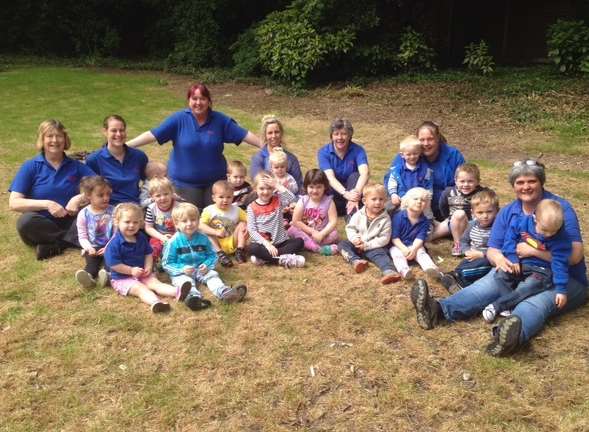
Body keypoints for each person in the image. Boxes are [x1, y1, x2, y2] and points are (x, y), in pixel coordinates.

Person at [410, 160, 587, 356]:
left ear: (541, 182)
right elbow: (494, 249)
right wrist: (502, 261)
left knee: (534, 302)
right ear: (513, 185)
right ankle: (438, 310)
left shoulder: (558, 209)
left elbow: (575, 256)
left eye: (531, 181)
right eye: (520, 182)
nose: (526, 187)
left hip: (564, 278)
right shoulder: (510, 212)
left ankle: (508, 337)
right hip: (521, 269)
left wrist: (534, 252)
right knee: (488, 285)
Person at [126, 83, 262, 210]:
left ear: (209, 101)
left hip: (215, 184)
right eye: (194, 98)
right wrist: (126, 145)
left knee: (217, 220)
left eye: (202, 98)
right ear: (188, 101)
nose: (198, 103)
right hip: (183, 184)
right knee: (189, 221)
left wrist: (265, 146)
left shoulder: (220, 120)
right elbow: (153, 134)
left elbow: (243, 134)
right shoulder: (179, 119)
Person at [9, 119, 95, 260]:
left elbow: (98, 185)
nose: (55, 140)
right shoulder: (30, 166)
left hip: (71, 220)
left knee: (91, 218)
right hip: (41, 223)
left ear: (65, 139)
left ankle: (58, 245)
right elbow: (14, 203)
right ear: (42, 140)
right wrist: (47, 204)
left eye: (59, 136)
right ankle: (75, 240)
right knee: (25, 222)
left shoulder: (76, 165)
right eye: (49, 136)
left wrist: (78, 198)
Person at [482, 199, 571, 323]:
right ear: (535, 219)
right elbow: (509, 240)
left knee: (527, 287)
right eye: (545, 230)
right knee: (500, 274)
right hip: (521, 263)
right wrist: (513, 258)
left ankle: (496, 307)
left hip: (543, 271)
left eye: (554, 231)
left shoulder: (561, 238)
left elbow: (560, 263)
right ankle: (509, 305)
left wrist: (561, 290)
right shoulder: (521, 223)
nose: (549, 235)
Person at [162, 203, 247, 310]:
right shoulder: (173, 242)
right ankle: (194, 298)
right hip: (182, 272)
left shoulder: (203, 238)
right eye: (184, 221)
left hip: (201, 268)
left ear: (198, 220)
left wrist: (207, 265)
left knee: (212, 276)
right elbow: (166, 263)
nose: (189, 224)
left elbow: (212, 255)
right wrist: (182, 269)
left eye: (193, 220)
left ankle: (224, 292)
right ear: (176, 224)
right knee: (185, 282)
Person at [104, 203, 187, 313]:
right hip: (122, 278)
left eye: (135, 222)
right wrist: (131, 271)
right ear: (117, 222)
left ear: (140, 223)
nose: (131, 225)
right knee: (141, 289)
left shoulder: (141, 237)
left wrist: (148, 267)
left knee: (156, 284)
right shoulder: (114, 244)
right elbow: (114, 265)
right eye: (127, 222)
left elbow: (148, 253)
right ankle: (156, 303)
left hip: (142, 273)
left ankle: (178, 292)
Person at [389, 121, 465, 220]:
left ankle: (446, 227)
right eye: (422, 140)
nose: (426, 144)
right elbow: (390, 178)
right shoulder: (408, 154)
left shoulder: (453, 155)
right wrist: (396, 194)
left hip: (443, 203)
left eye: (430, 139)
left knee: (462, 208)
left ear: (437, 139)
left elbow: (464, 179)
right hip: (411, 203)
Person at [339, 183, 401, 285]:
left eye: (381, 199)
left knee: (381, 254)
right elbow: (350, 228)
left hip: (373, 247)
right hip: (357, 244)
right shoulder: (358, 214)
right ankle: (356, 261)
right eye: (374, 199)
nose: (378, 202)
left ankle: (389, 271)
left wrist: (367, 245)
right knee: (343, 244)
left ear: (385, 201)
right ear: (364, 201)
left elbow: (384, 238)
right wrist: (355, 239)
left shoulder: (385, 219)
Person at [440, 189, 499, 293]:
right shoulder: (472, 225)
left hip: (489, 259)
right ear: (473, 213)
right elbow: (463, 241)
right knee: (464, 265)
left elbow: (500, 248)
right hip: (472, 256)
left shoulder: (498, 227)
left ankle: (458, 282)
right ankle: (454, 277)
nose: (485, 216)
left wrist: (482, 254)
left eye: (489, 212)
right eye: (480, 212)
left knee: (476, 268)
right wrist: (466, 250)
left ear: (497, 211)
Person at [86, 115, 148, 205]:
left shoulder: (139, 156)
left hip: (135, 208)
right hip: (108, 210)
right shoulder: (94, 160)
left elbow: (150, 181)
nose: (118, 134)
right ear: (105, 132)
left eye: (121, 130)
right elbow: (89, 190)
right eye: (114, 130)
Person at [247, 171, 305, 267]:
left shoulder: (277, 200)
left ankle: (267, 259)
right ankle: (284, 259)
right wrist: (267, 244)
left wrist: (277, 185)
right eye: (261, 188)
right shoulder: (251, 207)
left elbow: (292, 198)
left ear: (273, 189)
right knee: (253, 248)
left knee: (299, 242)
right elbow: (252, 230)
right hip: (264, 245)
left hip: (281, 242)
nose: (265, 192)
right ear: (255, 189)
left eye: (269, 188)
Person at [317, 118, 370, 217]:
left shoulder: (358, 150)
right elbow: (330, 178)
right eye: (336, 134)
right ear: (331, 136)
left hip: (354, 193)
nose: (340, 137)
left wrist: (355, 193)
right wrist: (346, 194)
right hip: (334, 194)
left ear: (349, 136)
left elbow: (365, 173)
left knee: (355, 176)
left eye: (344, 134)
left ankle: (352, 215)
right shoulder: (323, 152)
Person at [389, 187, 441, 281]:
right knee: (396, 253)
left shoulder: (424, 221)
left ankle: (431, 267)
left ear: (427, 204)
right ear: (407, 201)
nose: (419, 202)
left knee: (421, 252)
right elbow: (395, 238)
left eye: (423, 200)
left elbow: (420, 238)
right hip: (399, 245)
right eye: (415, 199)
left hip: (414, 245)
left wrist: (414, 249)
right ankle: (404, 270)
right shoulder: (398, 217)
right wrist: (403, 249)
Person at [433, 163, 487, 251]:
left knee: (459, 214)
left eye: (470, 181)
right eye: (462, 181)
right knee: (432, 234)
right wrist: (448, 217)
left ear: (477, 182)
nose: (466, 184)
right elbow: (442, 206)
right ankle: (415, 242)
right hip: (452, 222)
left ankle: (458, 245)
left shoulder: (482, 194)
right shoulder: (449, 192)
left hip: (472, 225)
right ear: (456, 181)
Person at [287, 169, 340, 255]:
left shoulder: (329, 202)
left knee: (335, 234)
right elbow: (296, 221)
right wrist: (312, 232)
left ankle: (308, 245)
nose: (315, 191)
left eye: (319, 187)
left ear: (325, 187)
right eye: (311, 187)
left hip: (322, 233)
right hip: (306, 232)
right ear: (306, 187)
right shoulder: (303, 200)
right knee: (292, 230)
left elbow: (333, 221)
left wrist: (322, 234)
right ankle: (318, 248)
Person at [75, 176, 114, 289]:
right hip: (93, 247)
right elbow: (82, 236)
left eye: (108, 194)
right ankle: (88, 278)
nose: (106, 198)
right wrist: (88, 248)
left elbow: (117, 233)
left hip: (110, 245)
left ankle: (107, 276)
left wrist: (108, 246)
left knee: (110, 261)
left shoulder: (114, 211)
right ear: (88, 196)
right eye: (101, 195)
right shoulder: (83, 214)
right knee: (91, 264)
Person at [199, 180, 248, 266]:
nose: (225, 200)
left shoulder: (236, 210)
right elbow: (200, 225)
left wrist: (247, 226)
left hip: (232, 241)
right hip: (216, 242)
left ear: (233, 197)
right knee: (206, 233)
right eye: (221, 197)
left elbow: (250, 219)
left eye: (228, 197)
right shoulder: (209, 210)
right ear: (214, 198)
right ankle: (220, 254)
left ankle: (240, 250)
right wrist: (215, 232)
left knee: (243, 224)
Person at [250, 115, 303, 190]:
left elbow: (299, 186)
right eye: (270, 133)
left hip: (289, 199)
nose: (274, 136)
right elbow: (257, 185)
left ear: (281, 133)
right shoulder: (258, 158)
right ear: (265, 135)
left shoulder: (291, 159)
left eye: (277, 132)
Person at [383, 135, 433, 213]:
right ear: (402, 155)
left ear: (420, 153)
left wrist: (428, 198)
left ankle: (429, 223)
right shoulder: (397, 170)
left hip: (418, 200)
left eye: (415, 154)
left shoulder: (426, 170)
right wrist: (393, 194)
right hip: (401, 198)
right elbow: (392, 182)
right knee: (388, 208)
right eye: (408, 154)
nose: (412, 157)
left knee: (426, 214)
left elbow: (429, 186)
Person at [144, 176, 180, 268]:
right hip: (158, 236)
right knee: (153, 248)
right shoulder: (151, 208)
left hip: (178, 235)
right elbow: (148, 227)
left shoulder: (179, 207)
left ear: (172, 193)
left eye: (166, 194)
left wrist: (174, 237)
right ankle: (154, 263)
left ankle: (170, 260)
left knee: (180, 248)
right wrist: (161, 237)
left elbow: (183, 226)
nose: (162, 198)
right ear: (152, 197)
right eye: (158, 195)